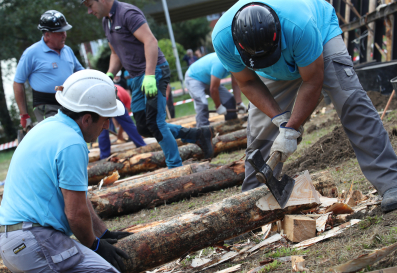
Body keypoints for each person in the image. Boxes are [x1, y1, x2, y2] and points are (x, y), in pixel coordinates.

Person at [212, 0, 397, 212]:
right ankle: (252, 205)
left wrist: (291, 129)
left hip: (319, 37)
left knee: (351, 101)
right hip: (275, 70)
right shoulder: (223, 38)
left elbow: (313, 80)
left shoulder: (300, 24)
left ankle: (391, 181)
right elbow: (247, 82)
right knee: (260, 130)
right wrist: (279, 119)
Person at [0, 70, 131, 273]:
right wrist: (95, 246)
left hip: (15, 241)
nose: (106, 126)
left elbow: (79, 200)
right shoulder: (71, 143)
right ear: (86, 119)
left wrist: (103, 234)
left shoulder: (50, 127)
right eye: (104, 119)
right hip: (32, 240)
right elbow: (75, 214)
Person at [82, 0, 215, 168]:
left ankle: (175, 166)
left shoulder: (127, 13)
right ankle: (198, 135)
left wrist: (150, 75)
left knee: (156, 123)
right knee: (144, 127)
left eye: (89, 5)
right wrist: (109, 74)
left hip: (154, 72)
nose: (89, 11)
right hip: (136, 78)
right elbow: (116, 53)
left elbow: (150, 41)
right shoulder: (106, 21)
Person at [14, 10, 84, 129]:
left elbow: (82, 73)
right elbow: (18, 83)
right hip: (46, 106)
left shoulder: (68, 50)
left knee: (76, 133)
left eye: (64, 31)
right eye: (59, 32)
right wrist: (24, 115)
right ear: (47, 35)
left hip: (69, 102)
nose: (64, 35)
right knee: (58, 133)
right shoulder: (31, 53)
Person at [185, 52, 247, 127]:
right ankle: (203, 130)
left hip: (208, 80)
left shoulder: (234, 63)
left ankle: (231, 125)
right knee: (202, 104)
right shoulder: (220, 64)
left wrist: (239, 103)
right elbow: (213, 89)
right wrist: (218, 106)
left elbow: (235, 84)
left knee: (229, 100)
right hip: (194, 78)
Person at [98, 85, 146, 159]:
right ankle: (142, 146)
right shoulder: (127, 100)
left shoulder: (123, 95)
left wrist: (119, 134)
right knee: (128, 124)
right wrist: (119, 133)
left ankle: (104, 157)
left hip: (101, 98)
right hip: (112, 97)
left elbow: (120, 120)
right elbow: (124, 121)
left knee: (102, 127)